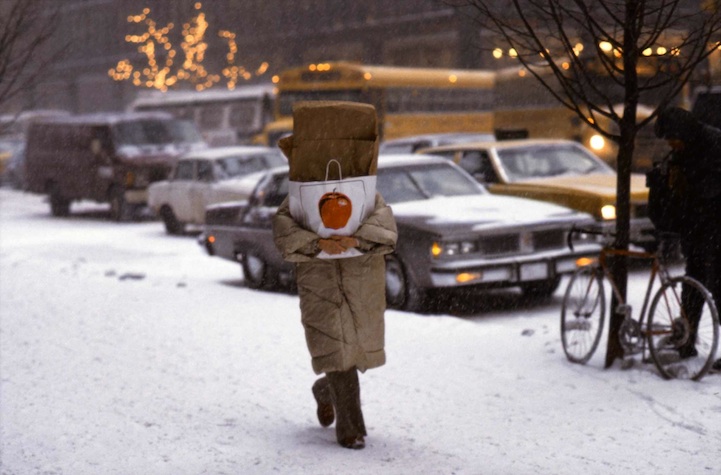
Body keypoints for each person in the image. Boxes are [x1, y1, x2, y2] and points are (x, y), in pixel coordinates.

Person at [273, 187, 398, 449]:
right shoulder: (303, 192)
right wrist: (318, 243)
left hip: (359, 281)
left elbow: (385, 225)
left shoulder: (363, 189)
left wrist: (357, 240)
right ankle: (350, 430)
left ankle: (324, 390)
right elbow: (284, 230)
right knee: (336, 351)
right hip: (320, 282)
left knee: (350, 351)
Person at [653, 106, 721, 369]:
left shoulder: (713, 144)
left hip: (715, 231)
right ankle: (686, 338)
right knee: (692, 287)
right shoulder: (686, 150)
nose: (671, 144)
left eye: (673, 138)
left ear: (683, 132)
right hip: (698, 232)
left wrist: (689, 185)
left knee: (718, 287)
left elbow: (709, 189)